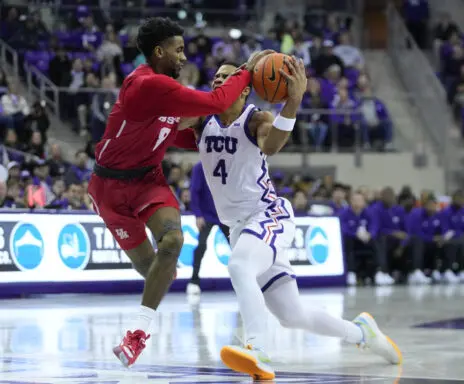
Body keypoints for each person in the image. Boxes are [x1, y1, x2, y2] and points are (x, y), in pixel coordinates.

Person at [186, 58, 402, 381]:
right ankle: (362, 333)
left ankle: (257, 348)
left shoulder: (255, 119)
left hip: (268, 215)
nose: (218, 80)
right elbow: (167, 120)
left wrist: (294, 100)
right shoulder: (202, 120)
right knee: (292, 315)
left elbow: (272, 145)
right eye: (215, 76)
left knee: (239, 266)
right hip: (240, 228)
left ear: (244, 89)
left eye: (227, 77)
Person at [86, 17, 272, 368]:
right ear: (159, 52)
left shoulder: (165, 93)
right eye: (179, 49)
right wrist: (245, 71)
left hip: (147, 181)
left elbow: (195, 135)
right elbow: (216, 102)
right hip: (109, 188)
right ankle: (152, 298)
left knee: (172, 242)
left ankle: (137, 335)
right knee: (160, 272)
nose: (185, 57)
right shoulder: (147, 85)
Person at [187, 161, 229, 295]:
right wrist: (198, 214)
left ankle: (248, 281)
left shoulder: (229, 163)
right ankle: (194, 280)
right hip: (206, 215)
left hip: (226, 214)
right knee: (201, 245)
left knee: (238, 247)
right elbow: (194, 191)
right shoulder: (200, 167)